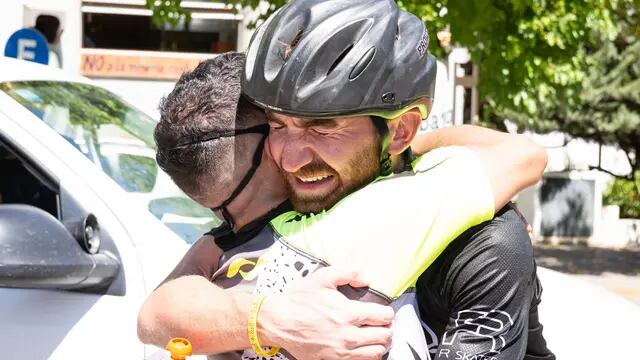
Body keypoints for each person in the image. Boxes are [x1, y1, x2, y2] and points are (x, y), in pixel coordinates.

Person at [138, 2, 552, 360]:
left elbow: (523, 157)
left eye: (322, 128)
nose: (291, 157)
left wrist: (403, 146)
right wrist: (269, 320)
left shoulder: (433, 219)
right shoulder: (271, 223)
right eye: (278, 126)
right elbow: (155, 312)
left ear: (399, 131)